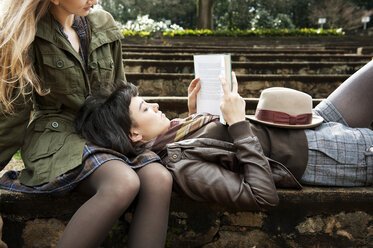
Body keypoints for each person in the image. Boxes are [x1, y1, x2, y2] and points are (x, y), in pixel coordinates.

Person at [75, 61, 373, 211]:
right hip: (321, 154)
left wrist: (194, 113)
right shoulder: (181, 165)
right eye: (145, 108)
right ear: (135, 134)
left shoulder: (176, 133)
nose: (155, 105)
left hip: (306, 122)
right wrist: (238, 123)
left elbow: (210, 140)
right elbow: (262, 196)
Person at [0, 0, 172, 247]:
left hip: (107, 130)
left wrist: (141, 129)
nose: (94, 0)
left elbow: (121, 95)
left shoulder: (104, 24)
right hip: (56, 137)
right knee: (123, 182)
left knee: (158, 178)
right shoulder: (28, 33)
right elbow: (14, 114)